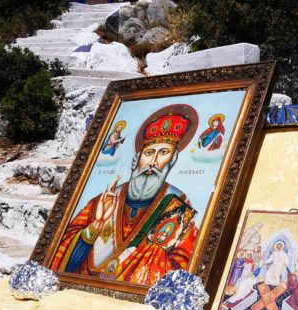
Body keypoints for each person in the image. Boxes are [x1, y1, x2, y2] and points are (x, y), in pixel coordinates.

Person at [51, 107, 198, 285]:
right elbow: (61, 260)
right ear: (137, 158)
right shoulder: (105, 199)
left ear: (172, 160)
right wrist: (95, 227)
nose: (153, 162)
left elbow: (182, 264)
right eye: (149, 153)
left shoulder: (177, 204)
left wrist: (151, 257)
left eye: (163, 153)